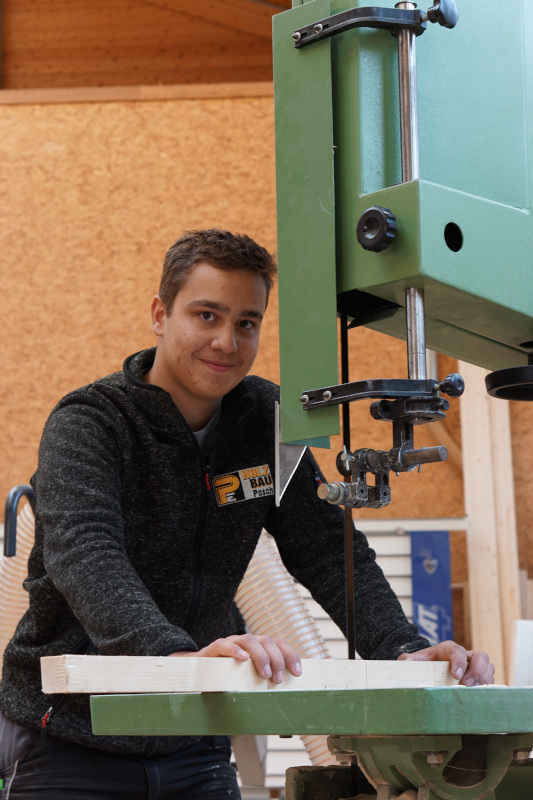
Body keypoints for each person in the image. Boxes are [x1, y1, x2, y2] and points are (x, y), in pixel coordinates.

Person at [0, 229, 494, 799]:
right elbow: (85, 553)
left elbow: (328, 548)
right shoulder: (90, 422)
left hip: (193, 737)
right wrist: (174, 654)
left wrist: (405, 648)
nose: (226, 342)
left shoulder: (271, 420)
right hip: (67, 738)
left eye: (246, 322)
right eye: (206, 315)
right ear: (160, 314)